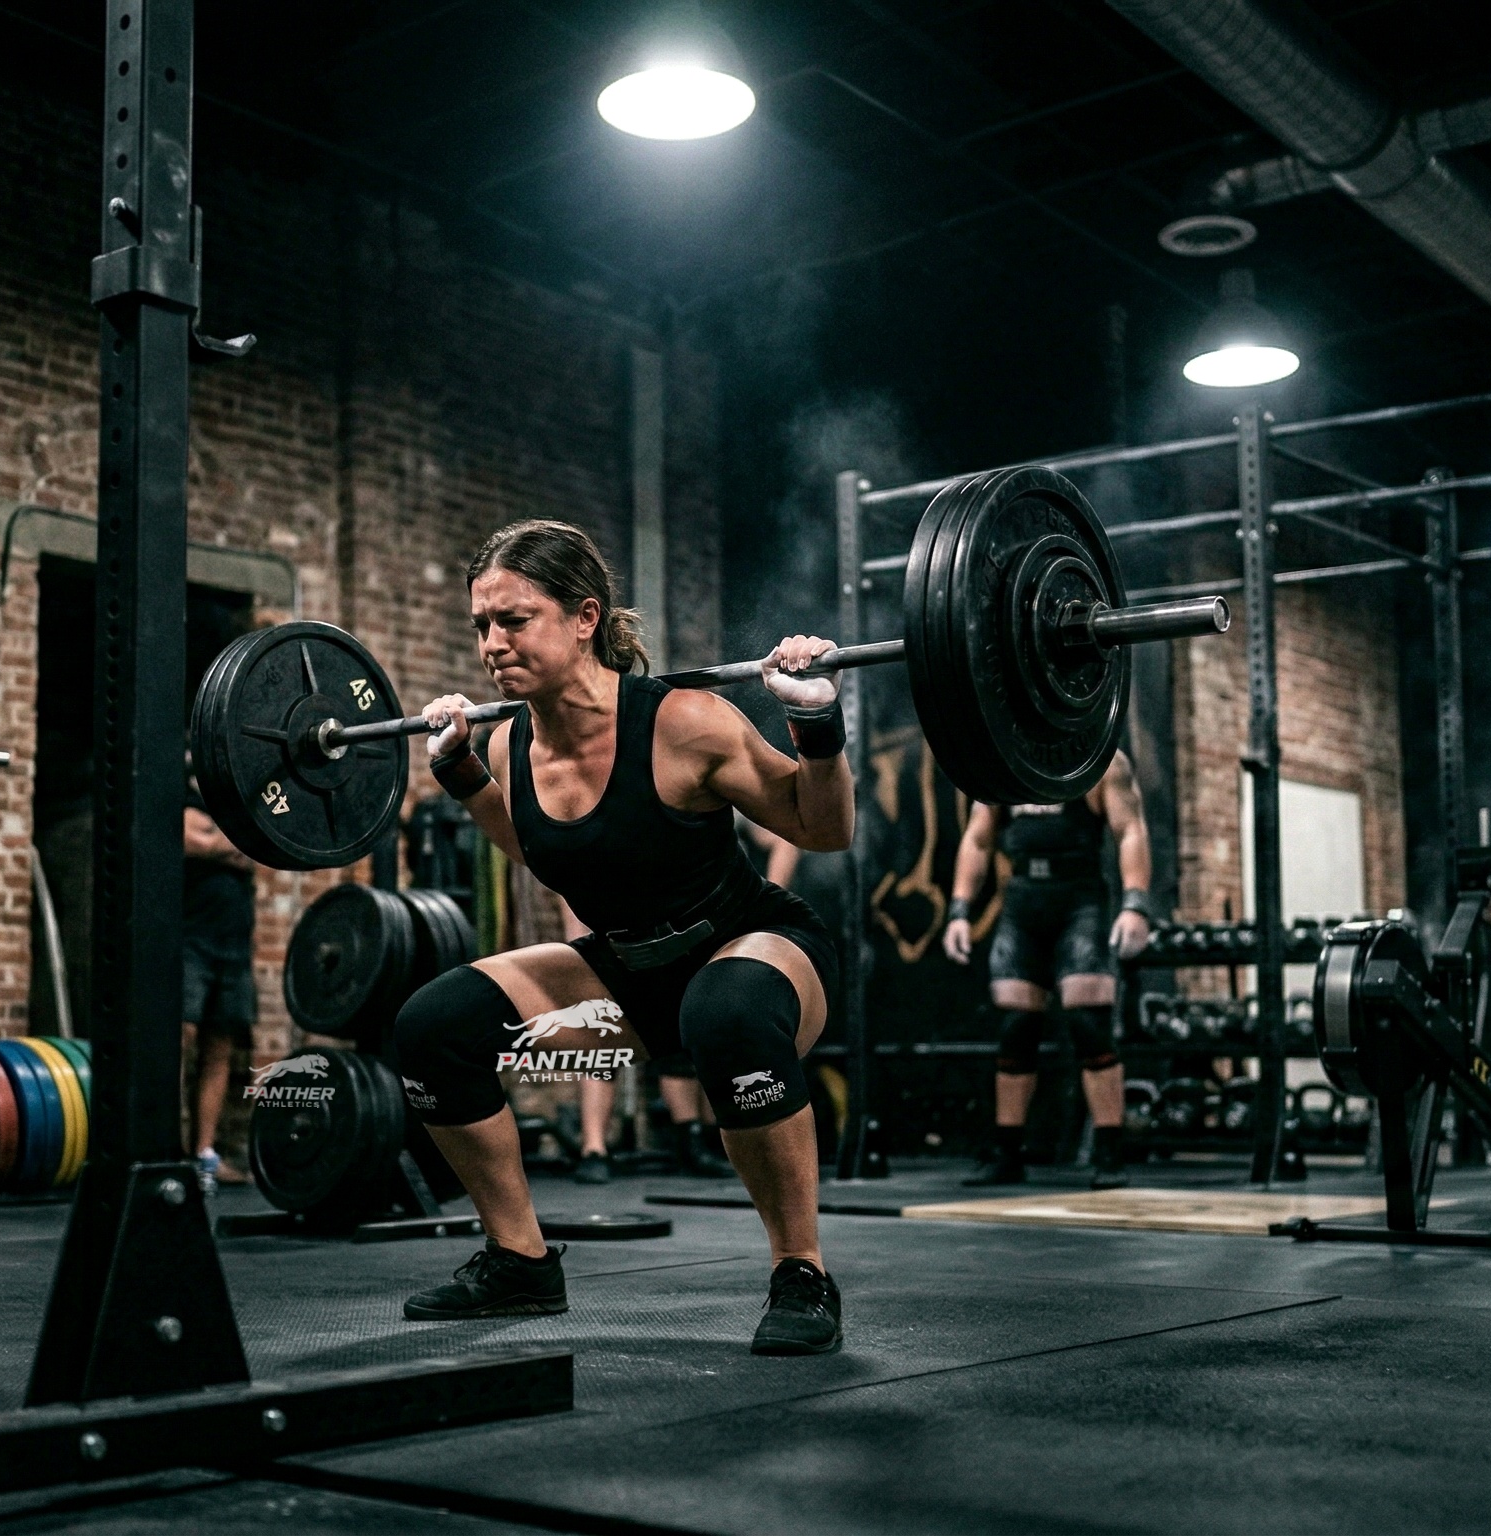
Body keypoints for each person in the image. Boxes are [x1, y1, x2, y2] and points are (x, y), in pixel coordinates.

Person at [394, 519, 851, 1354]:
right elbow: (534, 847)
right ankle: (519, 1261)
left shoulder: (688, 723)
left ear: (584, 618)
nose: (492, 644)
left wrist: (817, 726)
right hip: (632, 967)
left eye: (515, 619)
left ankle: (802, 1272)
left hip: (751, 946)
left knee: (727, 1013)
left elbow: (822, 830)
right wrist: (462, 770)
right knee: (432, 1027)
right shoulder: (509, 741)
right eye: (481, 626)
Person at [941, 753, 1154, 1189]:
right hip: (1023, 900)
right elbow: (978, 840)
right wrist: (960, 910)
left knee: (1088, 1022)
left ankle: (1109, 1151)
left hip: (1080, 899)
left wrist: (1136, 905)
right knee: (1016, 1026)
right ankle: (1007, 1153)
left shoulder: (1101, 761)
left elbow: (1129, 829)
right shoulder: (1003, 762)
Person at [182, 768, 260, 1199]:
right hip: (191, 941)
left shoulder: (234, 809)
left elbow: (254, 850)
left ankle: (203, 1153)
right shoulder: (182, 800)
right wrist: (225, 844)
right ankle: (166, 1148)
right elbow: (193, 840)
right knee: (181, 1040)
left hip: (233, 945)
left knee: (219, 1050)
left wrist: (219, 842)